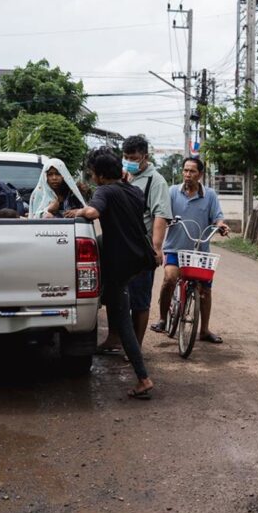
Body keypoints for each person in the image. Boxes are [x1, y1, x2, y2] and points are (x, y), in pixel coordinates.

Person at [65, 152, 159, 399]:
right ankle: (106, 299)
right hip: (139, 257)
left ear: (101, 175)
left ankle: (143, 378)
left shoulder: (104, 192)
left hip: (121, 264)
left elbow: (94, 213)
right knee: (116, 298)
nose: (91, 176)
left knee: (122, 318)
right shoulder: (133, 191)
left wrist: (78, 212)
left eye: (92, 172)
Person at [98, 135, 172, 353]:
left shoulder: (156, 181)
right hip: (118, 248)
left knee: (139, 300)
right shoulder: (123, 176)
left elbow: (160, 216)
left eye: (133, 157)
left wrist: (156, 248)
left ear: (145, 157)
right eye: (125, 156)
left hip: (140, 250)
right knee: (114, 293)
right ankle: (114, 338)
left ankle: (135, 348)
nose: (128, 160)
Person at [152, 155, 229, 343]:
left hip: (200, 252)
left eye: (192, 171)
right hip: (174, 249)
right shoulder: (171, 192)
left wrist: (221, 225)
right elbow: (162, 215)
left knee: (205, 290)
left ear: (200, 174)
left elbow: (217, 217)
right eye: (185, 170)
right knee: (170, 278)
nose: (187, 174)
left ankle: (204, 330)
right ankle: (163, 319)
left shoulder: (209, 195)